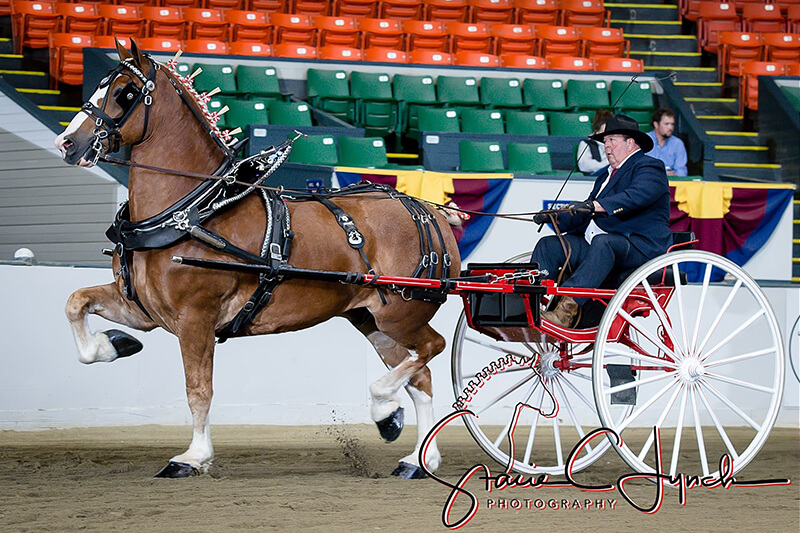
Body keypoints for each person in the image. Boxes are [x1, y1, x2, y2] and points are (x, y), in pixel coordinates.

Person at [530, 114, 672, 328]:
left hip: (640, 245)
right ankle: (530, 304)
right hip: (603, 244)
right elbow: (587, 215)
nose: (606, 146)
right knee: (549, 245)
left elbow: (635, 196)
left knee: (604, 242)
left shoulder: (649, 166)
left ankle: (566, 311)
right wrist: (556, 218)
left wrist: (594, 206)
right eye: (605, 141)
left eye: (612, 140)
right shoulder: (605, 176)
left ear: (630, 143)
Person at [647, 108, 688, 177]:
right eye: (666, 124)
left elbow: (682, 171)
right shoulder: (645, 140)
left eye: (672, 124)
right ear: (656, 124)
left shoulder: (677, 143)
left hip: (670, 181)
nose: (670, 128)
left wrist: (675, 174)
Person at [576, 109, 612, 175]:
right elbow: (584, 165)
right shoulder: (586, 144)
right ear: (597, 132)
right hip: (595, 176)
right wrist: (607, 165)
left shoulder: (616, 144)